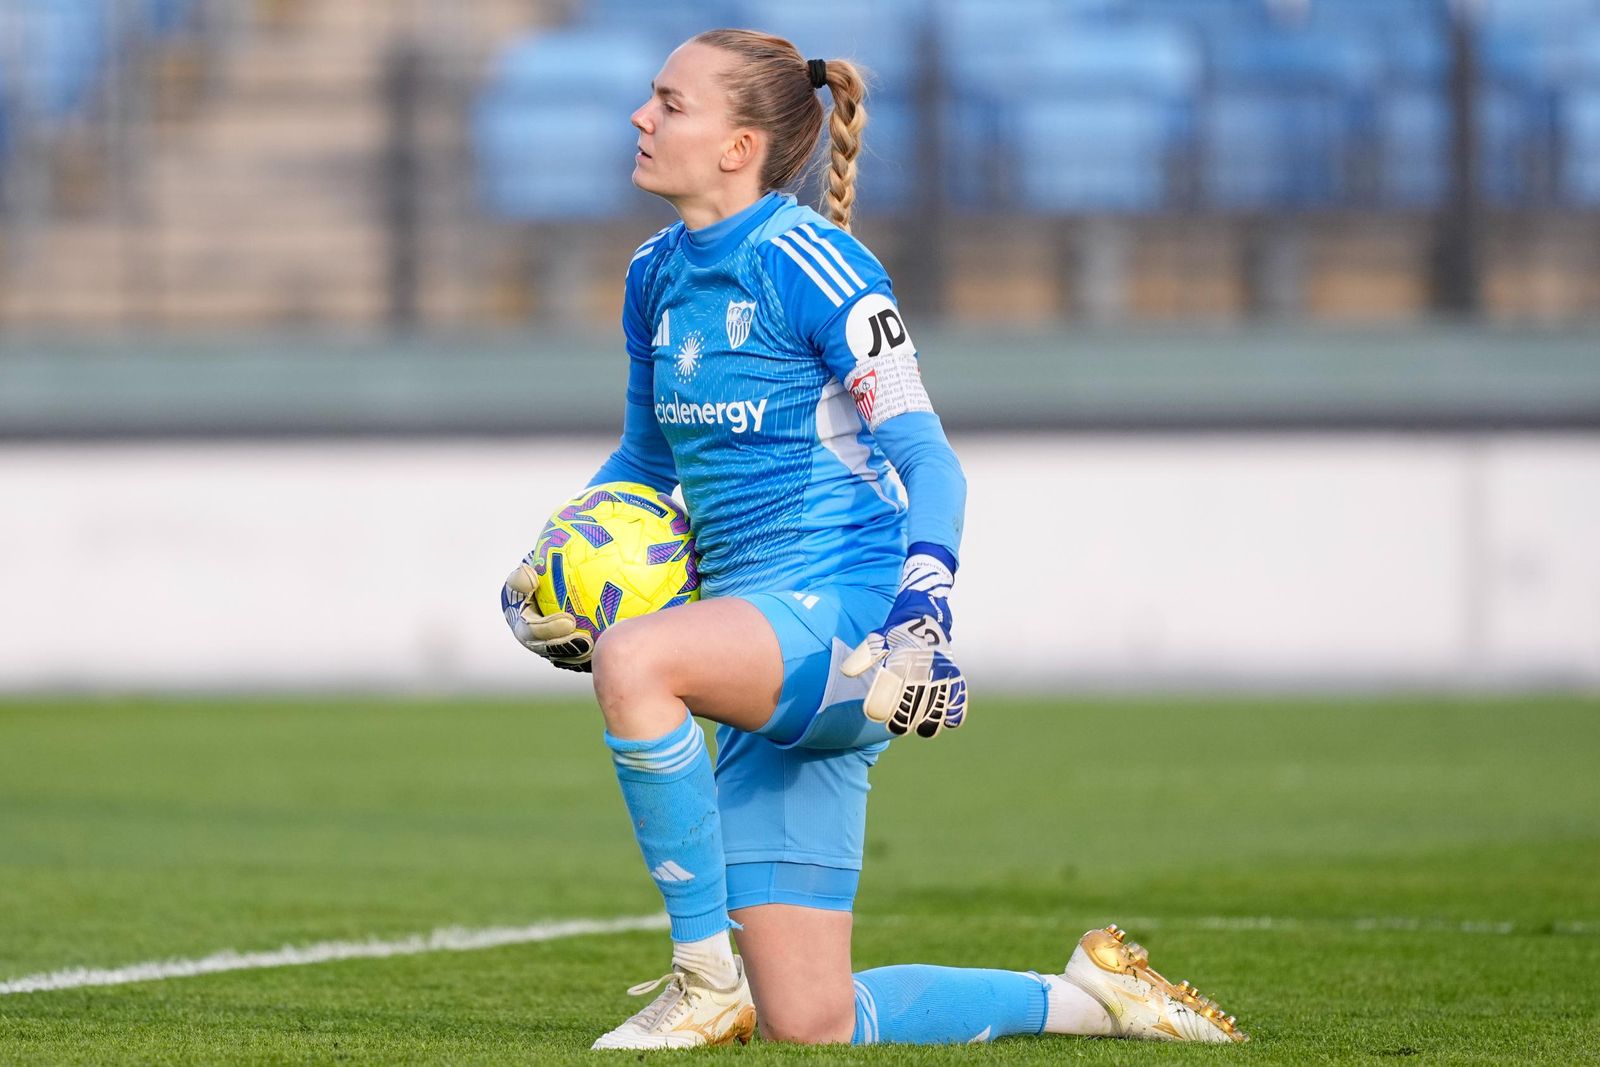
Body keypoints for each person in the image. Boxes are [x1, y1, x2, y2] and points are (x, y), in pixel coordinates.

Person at [500, 28, 1245, 1049]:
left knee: (635, 658)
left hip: (848, 624)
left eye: (670, 102)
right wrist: (556, 560)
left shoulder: (817, 263)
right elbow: (642, 460)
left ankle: (702, 974)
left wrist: (922, 614)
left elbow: (932, 460)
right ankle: (1088, 996)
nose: (640, 116)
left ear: (738, 145)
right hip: (756, 648)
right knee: (814, 1020)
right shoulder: (653, 275)